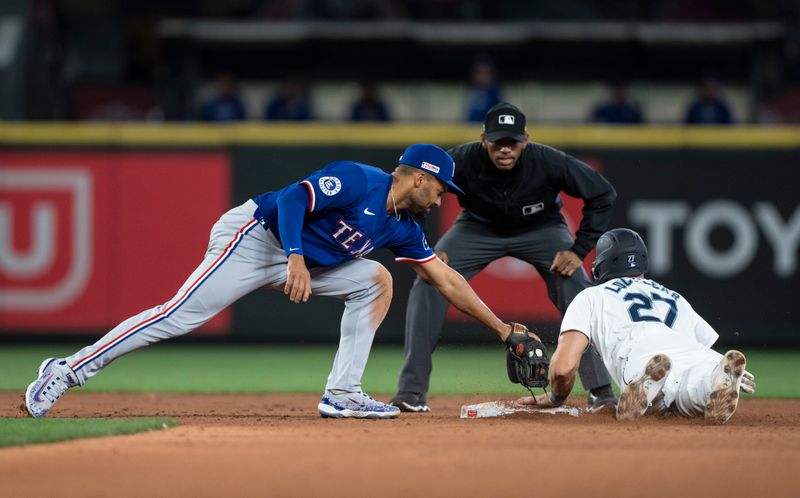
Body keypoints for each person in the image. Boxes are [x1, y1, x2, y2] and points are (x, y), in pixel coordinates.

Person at [24, 144, 536, 420]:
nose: (442, 199)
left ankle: (343, 393)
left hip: (304, 259)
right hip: (256, 238)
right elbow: (294, 197)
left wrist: (501, 329)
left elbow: (444, 278)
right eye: (441, 188)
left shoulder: (403, 227)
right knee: (178, 315)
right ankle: (65, 371)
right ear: (418, 178)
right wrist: (293, 255)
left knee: (377, 280)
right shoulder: (362, 179)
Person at [390, 102, 618, 413]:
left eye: (512, 141)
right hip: (477, 228)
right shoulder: (461, 160)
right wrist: (426, 248)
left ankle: (601, 392)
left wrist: (579, 251)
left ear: (526, 139)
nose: (505, 149)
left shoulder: (548, 161)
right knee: (430, 280)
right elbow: (417, 189)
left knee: (577, 286)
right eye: (498, 141)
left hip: (542, 228)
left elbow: (602, 194)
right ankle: (411, 393)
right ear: (484, 139)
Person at [517, 228, 756, 423]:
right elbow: (696, 347)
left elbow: (563, 368)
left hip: (641, 353)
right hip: (698, 355)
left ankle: (650, 381)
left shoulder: (591, 296)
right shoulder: (674, 296)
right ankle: (714, 375)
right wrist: (714, 365)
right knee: (691, 388)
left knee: (666, 398)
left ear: (600, 266)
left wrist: (557, 397)